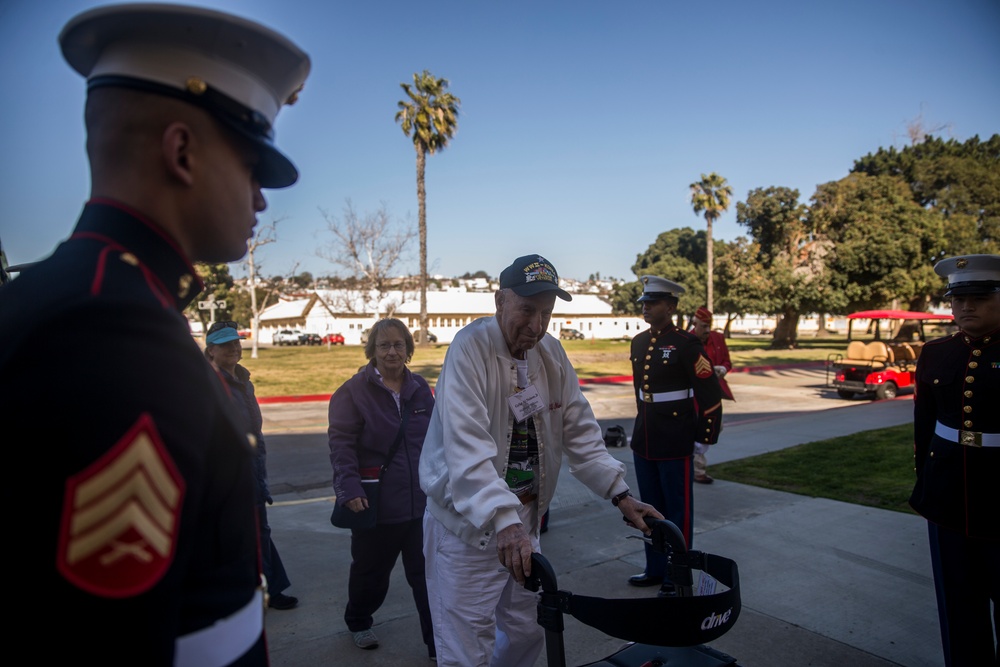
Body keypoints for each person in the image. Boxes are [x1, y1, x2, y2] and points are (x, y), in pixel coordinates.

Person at [0, 5, 309, 664]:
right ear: (181, 150)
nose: (260, 198)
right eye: (253, 165)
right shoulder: (110, 335)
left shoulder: (96, 297)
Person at [419, 254, 663, 667]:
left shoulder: (550, 353)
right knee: (465, 647)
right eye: (527, 310)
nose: (537, 325)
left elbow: (580, 429)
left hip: (523, 524)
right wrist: (503, 520)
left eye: (546, 313)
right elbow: (468, 447)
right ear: (500, 301)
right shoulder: (470, 348)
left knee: (527, 630)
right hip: (466, 530)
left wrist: (620, 494)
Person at [909, 254, 1000, 667]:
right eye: (958, 298)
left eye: (979, 297)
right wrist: (925, 479)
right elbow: (923, 425)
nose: (966, 307)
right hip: (947, 495)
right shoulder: (935, 353)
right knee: (957, 604)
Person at [328, 319, 436, 658]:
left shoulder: (420, 388)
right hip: (375, 504)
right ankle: (359, 620)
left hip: (422, 505)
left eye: (398, 344)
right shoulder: (352, 392)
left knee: (428, 579)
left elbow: (437, 441)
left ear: (408, 348)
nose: (392, 351)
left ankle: (438, 644)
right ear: (372, 350)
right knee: (370, 574)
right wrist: (349, 487)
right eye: (384, 345)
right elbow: (341, 444)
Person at [627, 276, 723, 597]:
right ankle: (654, 569)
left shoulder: (686, 343)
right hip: (646, 440)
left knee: (677, 512)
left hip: (675, 439)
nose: (646, 307)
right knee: (649, 510)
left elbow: (710, 394)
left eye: (652, 302)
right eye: (644, 302)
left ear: (670, 306)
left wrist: (703, 437)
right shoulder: (638, 342)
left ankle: (676, 574)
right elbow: (641, 394)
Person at [204, 322, 298, 611]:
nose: (233, 347)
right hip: (228, 470)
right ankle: (258, 591)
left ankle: (270, 588)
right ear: (210, 351)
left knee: (259, 528)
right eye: (224, 344)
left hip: (254, 465)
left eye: (236, 342)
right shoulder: (209, 384)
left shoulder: (244, 380)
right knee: (244, 532)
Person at [689, 306, 735, 484]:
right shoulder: (688, 340)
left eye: (709, 326)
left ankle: (697, 463)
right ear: (695, 324)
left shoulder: (718, 338)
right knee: (696, 428)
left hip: (713, 392)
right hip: (694, 394)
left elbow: (727, 361)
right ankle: (698, 469)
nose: (707, 330)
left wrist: (722, 368)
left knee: (716, 426)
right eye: (703, 326)